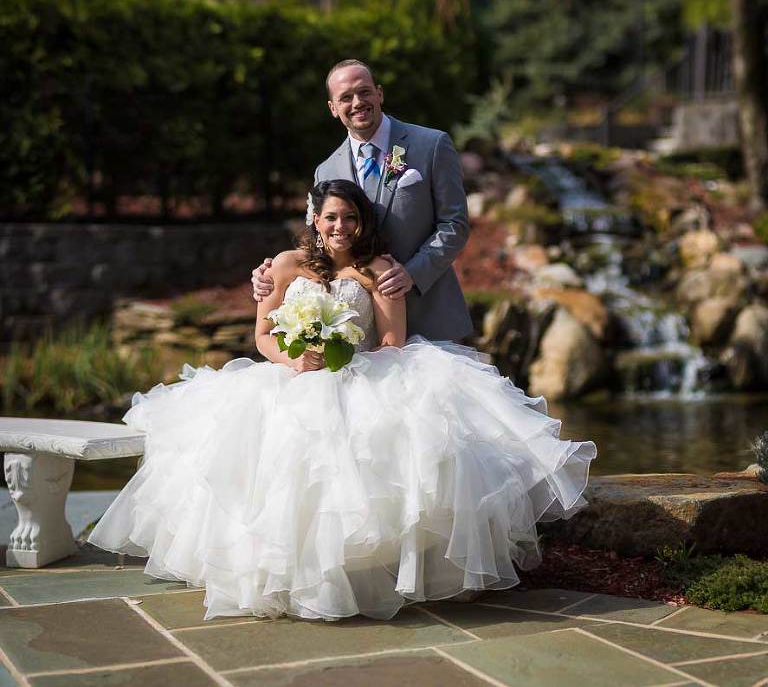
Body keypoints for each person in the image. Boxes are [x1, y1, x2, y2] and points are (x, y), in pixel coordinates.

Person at [89, 179, 596, 621]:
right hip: (293, 377)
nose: (340, 226)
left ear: (362, 223)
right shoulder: (285, 265)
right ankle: (284, 577)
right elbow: (263, 336)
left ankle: (369, 577)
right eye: (331, 217)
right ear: (315, 220)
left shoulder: (379, 269)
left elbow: (393, 342)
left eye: (350, 217)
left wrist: (347, 354)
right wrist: (295, 360)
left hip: (362, 373)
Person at [252, 59, 472, 341]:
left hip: (429, 317)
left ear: (379, 94)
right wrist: (272, 271)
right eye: (346, 97)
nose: (357, 102)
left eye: (364, 92)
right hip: (355, 330)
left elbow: (454, 225)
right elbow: (318, 241)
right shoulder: (325, 171)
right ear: (333, 108)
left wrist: (412, 274)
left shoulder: (432, 145)